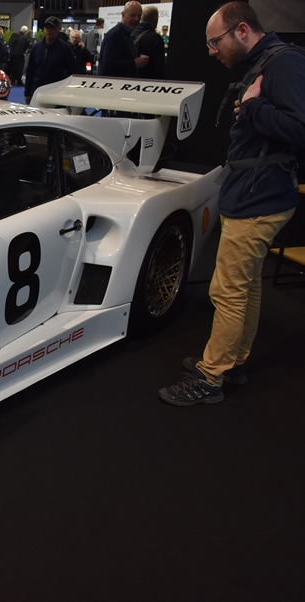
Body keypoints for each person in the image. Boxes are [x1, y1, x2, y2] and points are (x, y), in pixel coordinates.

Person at [158, 1, 305, 406]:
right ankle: (233, 362)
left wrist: (255, 107)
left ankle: (211, 377)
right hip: (253, 191)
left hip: (261, 196)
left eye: (215, 42)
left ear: (242, 31)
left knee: (227, 291)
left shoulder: (284, 64)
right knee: (246, 286)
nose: (211, 51)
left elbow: (300, 129)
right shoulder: (267, 63)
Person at [24, 16, 73, 104]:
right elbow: (30, 71)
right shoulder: (36, 48)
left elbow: (71, 72)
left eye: (52, 28)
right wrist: (27, 93)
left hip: (57, 93)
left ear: (58, 30)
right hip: (37, 92)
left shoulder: (65, 49)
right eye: (47, 28)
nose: (49, 31)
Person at [100, 1, 148, 78]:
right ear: (123, 15)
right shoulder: (116, 35)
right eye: (133, 15)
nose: (137, 19)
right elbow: (108, 64)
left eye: (139, 16)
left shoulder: (125, 34)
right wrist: (134, 63)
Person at [133, 6, 165, 79]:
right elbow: (159, 69)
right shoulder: (156, 39)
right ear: (156, 20)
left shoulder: (130, 34)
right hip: (148, 81)